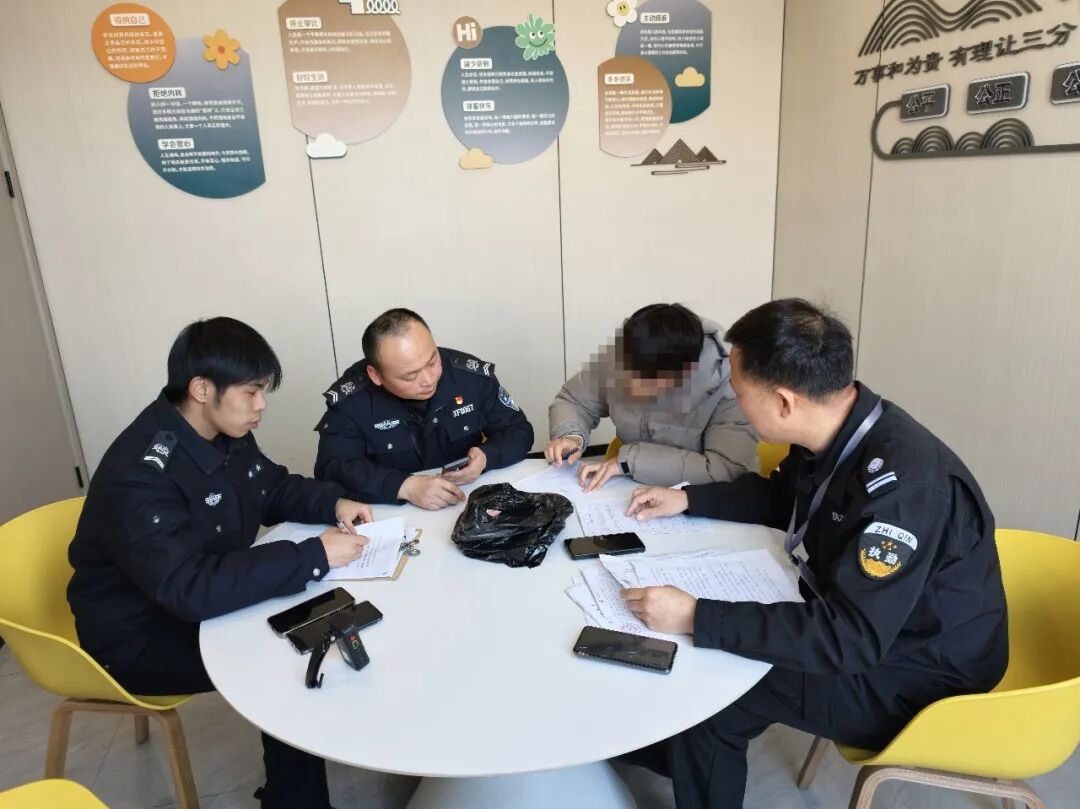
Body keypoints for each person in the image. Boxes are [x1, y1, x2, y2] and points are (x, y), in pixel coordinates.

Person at [619, 299, 1008, 809]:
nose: (734, 401)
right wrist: (688, 499)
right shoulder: (837, 430)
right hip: (874, 624)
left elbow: (850, 640)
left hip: (920, 673)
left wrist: (697, 614)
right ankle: (676, 750)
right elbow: (785, 498)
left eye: (739, 392)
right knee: (714, 663)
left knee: (720, 692)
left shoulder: (902, 489)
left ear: (784, 402)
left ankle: (688, 746)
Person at [68, 317, 374, 809]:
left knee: (331, 609)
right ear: (202, 389)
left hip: (198, 597)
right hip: (139, 635)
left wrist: (333, 503)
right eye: (252, 392)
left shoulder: (221, 430)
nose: (262, 405)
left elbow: (270, 487)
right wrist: (312, 554)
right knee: (284, 658)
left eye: (264, 391)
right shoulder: (139, 476)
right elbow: (190, 590)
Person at [314, 308, 534, 510]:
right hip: (393, 513)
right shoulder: (351, 401)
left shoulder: (469, 377)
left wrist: (487, 456)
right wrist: (404, 486)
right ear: (376, 375)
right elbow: (331, 468)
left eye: (432, 361)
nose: (429, 380)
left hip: (468, 501)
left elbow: (518, 431)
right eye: (410, 376)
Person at [545, 303, 757, 491]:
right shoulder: (625, 352)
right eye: (627, 371)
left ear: (684, 373)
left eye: (646, 379)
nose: (631, 386)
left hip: (700, 498)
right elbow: (573, 400)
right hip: (630, 485)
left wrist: (631, 461)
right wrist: (571, 435)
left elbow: (724, 469)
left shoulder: (730, 384)